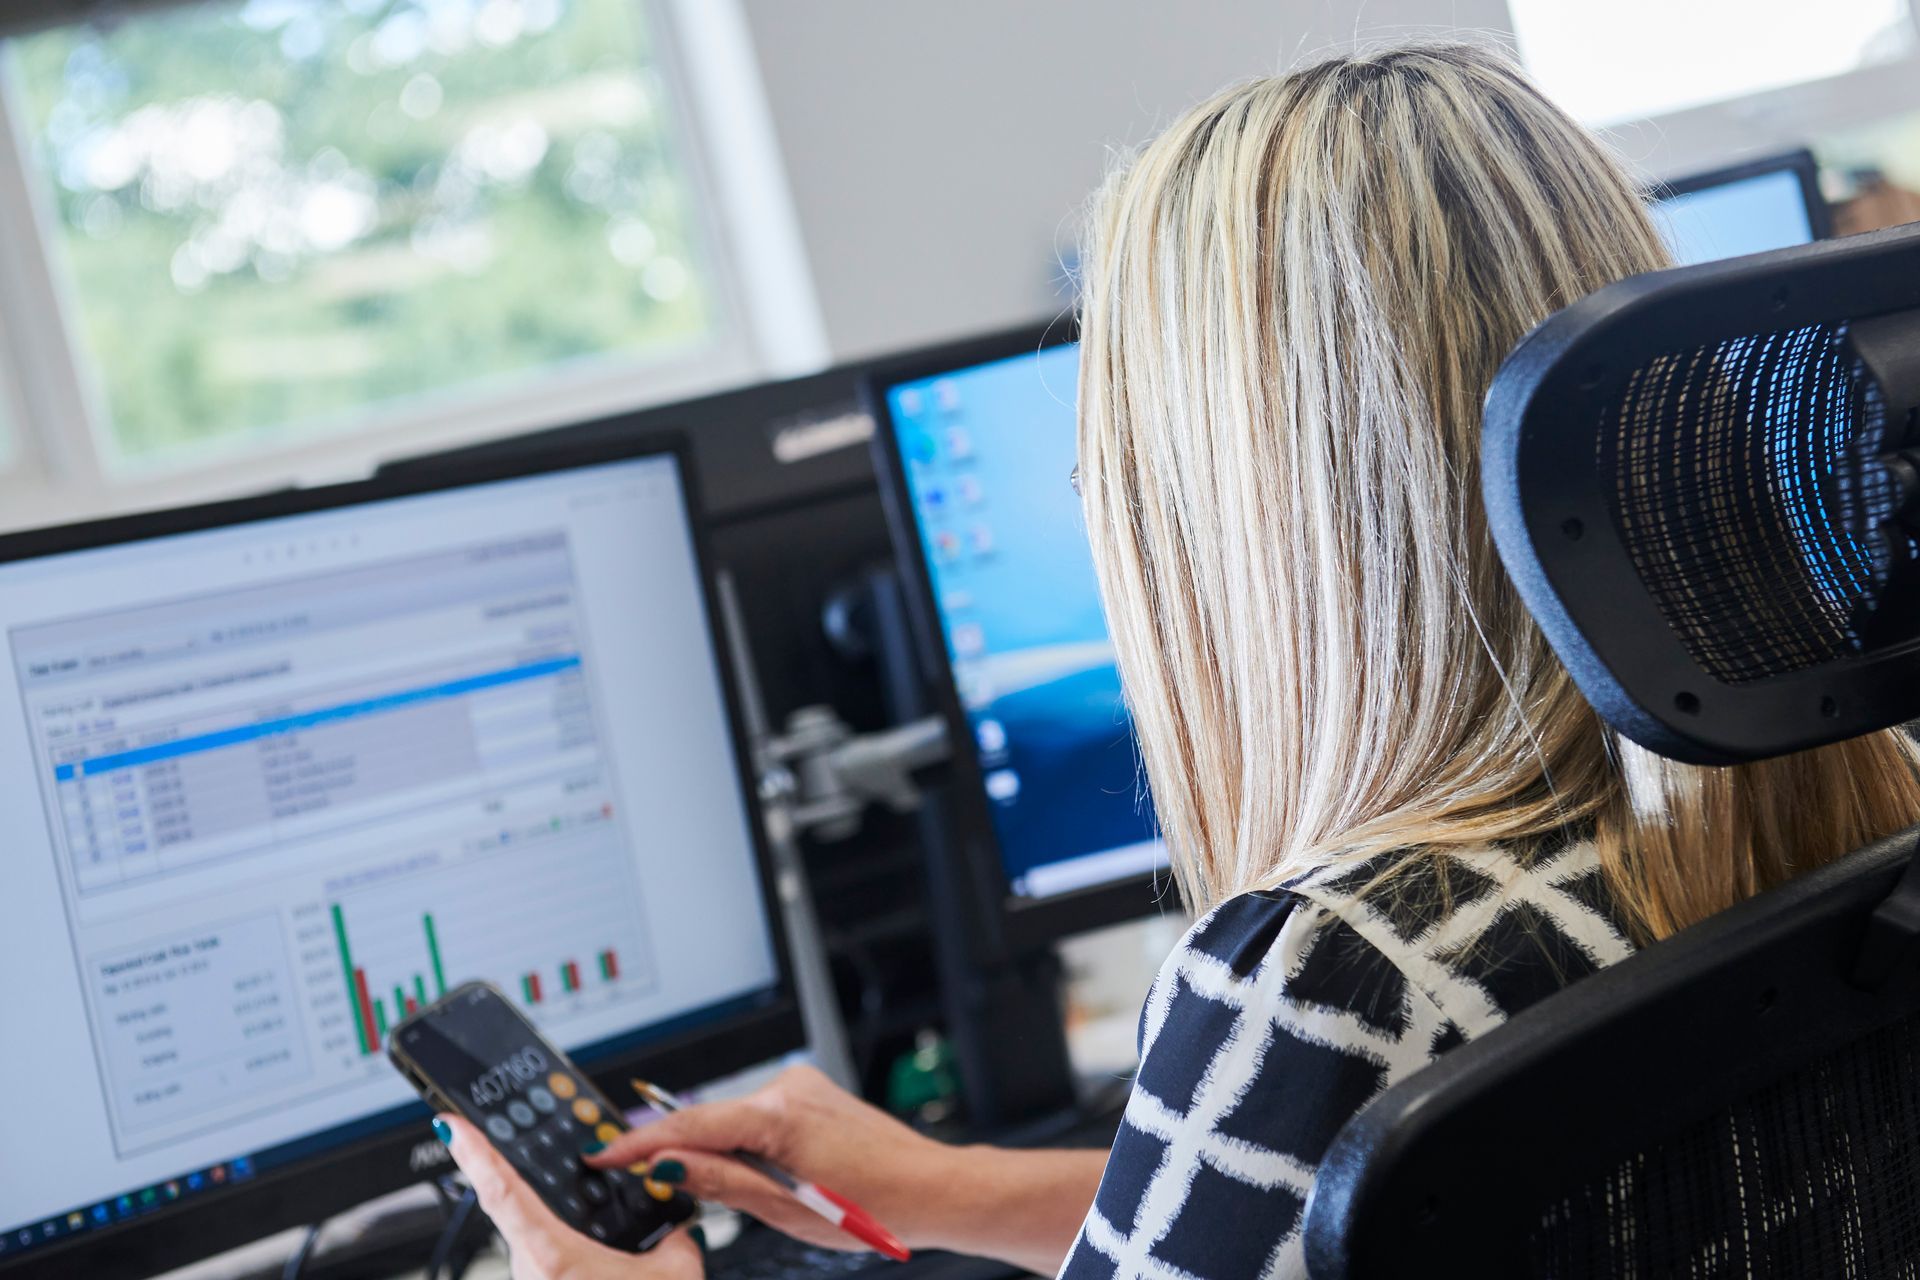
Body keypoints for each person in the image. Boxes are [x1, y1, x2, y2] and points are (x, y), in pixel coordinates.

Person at [433, 40, 1920, 1280]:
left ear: (1220, 518)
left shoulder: (1339, 974)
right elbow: (1317, 1220)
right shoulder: (1847, 785)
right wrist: (942, 1187)